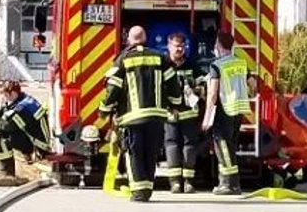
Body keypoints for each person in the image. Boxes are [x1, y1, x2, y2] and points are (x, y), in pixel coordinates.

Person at [104, 25, 168, 202]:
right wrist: (175, 105)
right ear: (145, 37)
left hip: (132, 118)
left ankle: (139, 192)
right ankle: (147, 190)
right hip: (156, 117)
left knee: (134, 153)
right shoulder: (160, 57)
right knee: (151, 153)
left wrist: (105, 107)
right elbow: (172, 84)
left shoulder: (123, 59)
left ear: (129, 40)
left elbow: (113, 87)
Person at [201, 31, 252, 196]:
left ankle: (229, 184)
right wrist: (245, 92)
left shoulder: (217, 65)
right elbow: (253, 84)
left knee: (223, 147)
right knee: (230, 147)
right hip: (239, 110)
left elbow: (213, 93)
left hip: (225, 109)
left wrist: (207, 116)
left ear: (218, 46)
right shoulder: (241, 63)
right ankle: (231, 183)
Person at [160, 32, 200, 192]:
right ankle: (175, 182)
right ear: (169, 46)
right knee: (172, 146)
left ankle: (188, 181)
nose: (180, 49)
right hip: (170, 114)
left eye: (182, 46)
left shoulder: (192, 65)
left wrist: (196, 89)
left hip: (189, 113)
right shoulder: (163, 64)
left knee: (189, 146)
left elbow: (202, 83)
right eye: (176, 46)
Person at [0, 80, 50, 176]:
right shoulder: (23, 100)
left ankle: (5, 173)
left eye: (5, 95)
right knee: (0, 131)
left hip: (38, 145)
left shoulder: (22, 107)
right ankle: (25, 155)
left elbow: (7, 126)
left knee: (0, 137)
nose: (5, 99)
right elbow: (7, 117)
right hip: (33, 139)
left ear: (12, 93)